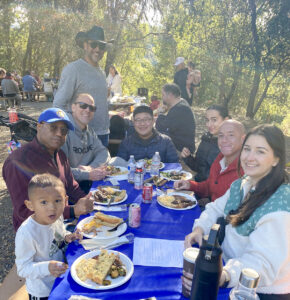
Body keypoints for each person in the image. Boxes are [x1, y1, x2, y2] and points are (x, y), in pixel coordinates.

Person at [183, 124, 290, 299]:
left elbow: (262, 264)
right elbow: (216, 208)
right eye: (247, 149)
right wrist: (199, 229)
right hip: (227, 268)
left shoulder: (281, 206)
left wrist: (223, 275)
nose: (249, 157)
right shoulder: (243, 184)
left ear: (276, 159)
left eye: (260, 151)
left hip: (258, 290)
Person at [2, 107, 93, 231]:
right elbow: (24, 212)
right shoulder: (18, 162)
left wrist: (88, 199)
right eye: (53, 127)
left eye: (64, 130)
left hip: (60, 225)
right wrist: (72, 211)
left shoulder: (60, 155)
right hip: (35, 236)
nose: (59, 133)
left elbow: (72, 186)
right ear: (39, 126)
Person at [15, 174, 82, 300]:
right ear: (30, 205)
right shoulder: (26, 233)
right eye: (43, 202)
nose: (52, 208)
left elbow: (59, 233)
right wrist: (47, 267)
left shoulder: (56, 217)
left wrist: (67, 236)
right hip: (42, 291)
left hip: (60, 278)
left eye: (57, 200)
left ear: (65, 200)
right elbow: (23, 268)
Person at [53, 25, 111, 147]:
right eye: (93, 44)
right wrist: (73, 131)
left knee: (102, 166)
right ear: (85, 45)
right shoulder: (73, 69)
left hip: (103, 133)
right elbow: (58, 105)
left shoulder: (101, 72)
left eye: (101, 46)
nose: (97, 49)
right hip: (81, 137)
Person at [174, 120, 245, 204]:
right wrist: (189, 185)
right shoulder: (220, 159)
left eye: (231, 135)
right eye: (221, 135)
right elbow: (210, 186)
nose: (224, 140)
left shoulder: (246, 169)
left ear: (243, 139)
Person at [61, 93, 111, 193]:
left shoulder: (90, 131)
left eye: (92, 108)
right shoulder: (62, 132)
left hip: (87, 183)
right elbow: (59, 170)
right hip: (66, 189)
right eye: (83, 105)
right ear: (73, 107)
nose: (88, 110)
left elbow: (104, 153)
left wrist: (90, 167)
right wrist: (87, 174)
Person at [181, 105, 230, 182]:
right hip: (199, 186)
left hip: (214, 191)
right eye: (207, 120)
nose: (209, 124)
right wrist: (188, 157)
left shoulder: (230, 146)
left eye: (214, 120)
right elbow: (198, 167)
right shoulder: (206, 139)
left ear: (226, 120)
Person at [156, 83, 196, 154]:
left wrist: (160, 113)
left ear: (170, 95)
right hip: (181, 146)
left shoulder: (180, 109)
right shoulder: (182, 102)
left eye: (163, 95)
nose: (162, 97)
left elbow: (161, 127)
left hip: (182, 151)